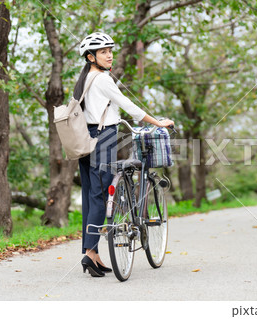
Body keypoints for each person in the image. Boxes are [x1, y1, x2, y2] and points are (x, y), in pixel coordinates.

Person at [74, 32, 174, 277]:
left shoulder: (85, 78)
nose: (109, 55)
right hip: (104, 138)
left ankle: (93, 252)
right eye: (103, 52)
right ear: (91, 57)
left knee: (90, 195)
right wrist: (158, 123)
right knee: (100, 194)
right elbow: (130, 107)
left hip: (84, 138)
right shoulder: (102, 79)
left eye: (110, 50)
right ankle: (89, 254)